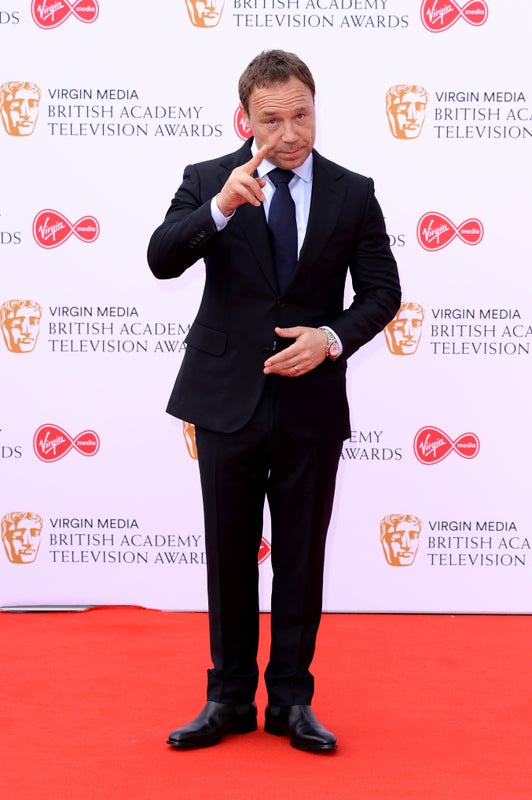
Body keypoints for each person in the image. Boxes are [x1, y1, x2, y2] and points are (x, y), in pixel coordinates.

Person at [148, 49, 401, 751]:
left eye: (302, 116)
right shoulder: (208, 180)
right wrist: (223, 206)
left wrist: (330, 337)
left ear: (315, 109)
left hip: (310, 403)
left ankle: (291, 701)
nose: (290, 134)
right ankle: (227, 699)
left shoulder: (352, 191)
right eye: (272, 120)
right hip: (225, 398)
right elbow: (162, 256)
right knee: (229, 555)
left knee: (300, 556)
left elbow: (382, 292)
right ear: (246, 118)